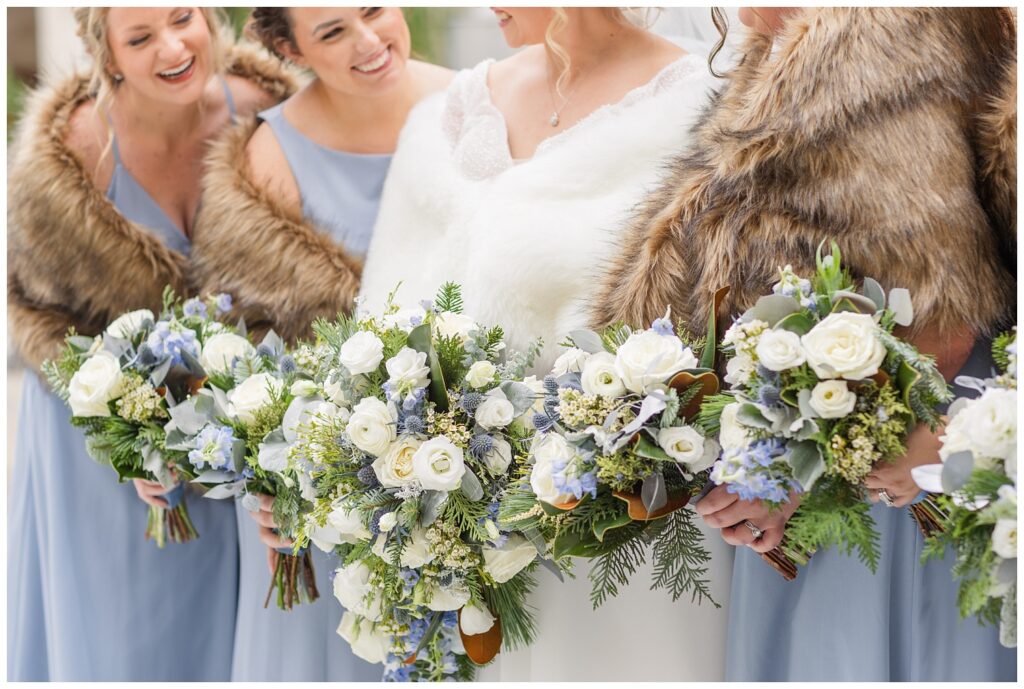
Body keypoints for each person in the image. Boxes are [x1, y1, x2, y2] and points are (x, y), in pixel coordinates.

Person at [592, 7, 1016, 681]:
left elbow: (941, 306)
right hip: (810, 468)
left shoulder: (892, 31)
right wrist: (730, 455)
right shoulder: (776, 46)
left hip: (904, 462)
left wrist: (794, 470)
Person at [359, 7, 730, 681]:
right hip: (461, 535)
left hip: (621, 529)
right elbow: (377, 324)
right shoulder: (447, 117)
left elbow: (714, 327)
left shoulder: (698, 105)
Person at [7, 7, 293, 681]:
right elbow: (38, 318)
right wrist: (131, 432)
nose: (173, 46)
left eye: (182, 17)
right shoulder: (71, 154)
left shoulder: (268, 109)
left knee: (246, 643)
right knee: (132, 645)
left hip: (239, 434)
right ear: (107, 56)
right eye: (140, 38)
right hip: (106, 443)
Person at [190, 7, 451, 681]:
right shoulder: (270, 154)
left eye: (373, 9)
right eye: (332, 31)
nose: (369, 41)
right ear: (288, 47)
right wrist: (273, 476)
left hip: (456, 470)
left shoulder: (471, 102)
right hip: (324, 490)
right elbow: (244, 349)